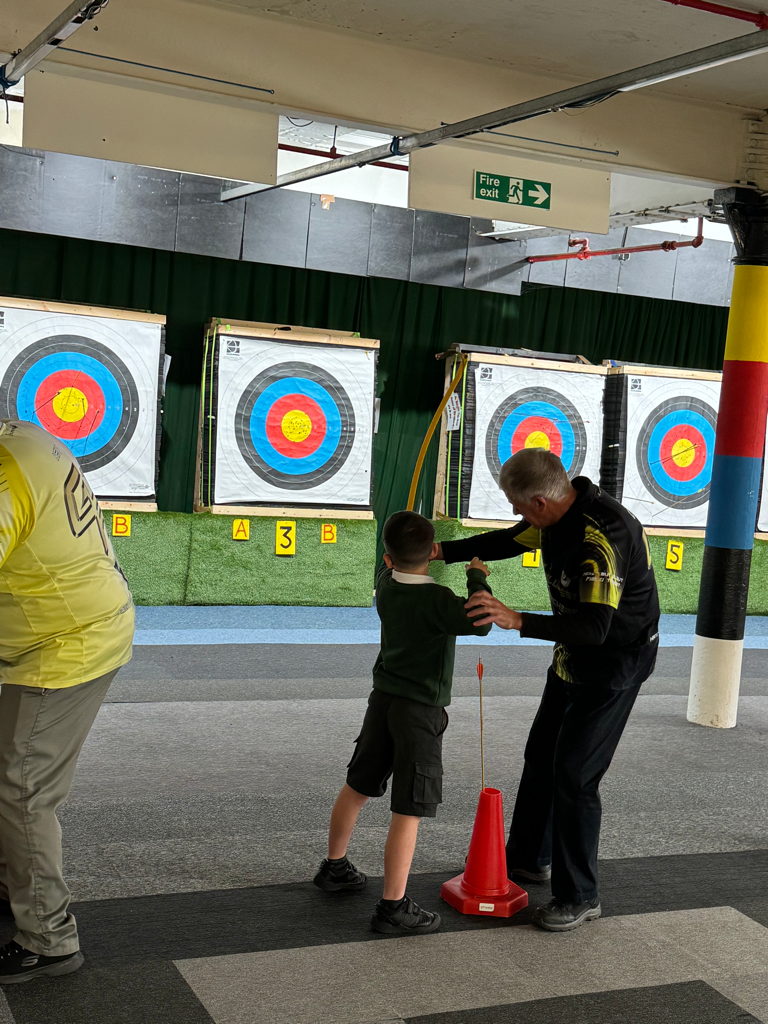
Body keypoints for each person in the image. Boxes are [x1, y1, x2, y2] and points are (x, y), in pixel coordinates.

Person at [434, 448, 659, 932]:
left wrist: (517, 620)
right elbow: (509, 540)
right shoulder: (554, 513)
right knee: (541, 756)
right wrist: (442, 551)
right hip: (572, 658)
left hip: (614, 665)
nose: (516, 513)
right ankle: (528, 859)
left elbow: (595, 628)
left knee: (575, 775)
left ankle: (580, 895)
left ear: (539, 501)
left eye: (518, 505)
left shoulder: (601, 538)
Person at [313, 510, 492, 935]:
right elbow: (481, 621)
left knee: (357, 786)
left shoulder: (386, 587)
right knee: (408, 810)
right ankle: (393, 907)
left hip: (382, 703)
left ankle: (334, 866)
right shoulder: (440, 601)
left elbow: (400, 564)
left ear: (388, 559)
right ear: (431, 554)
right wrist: (477, 576)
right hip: (420, 714)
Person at [0, 420, 135, 983]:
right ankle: (12, 879)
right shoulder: (21, 435)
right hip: (74, 623)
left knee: (22, 789)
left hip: (64, 645)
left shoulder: (5, 477)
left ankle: (49, 938)